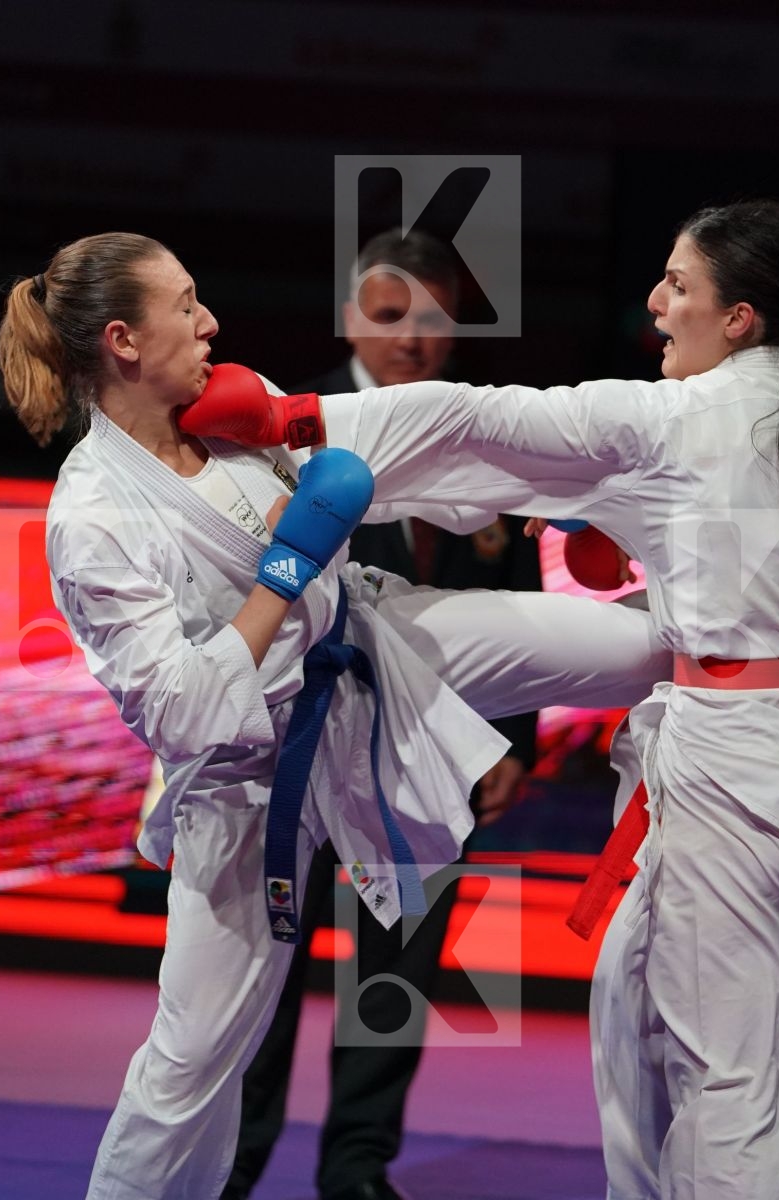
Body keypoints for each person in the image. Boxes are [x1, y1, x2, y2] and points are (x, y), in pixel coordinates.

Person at [179, 199, 779, 1198]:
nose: (654, 302)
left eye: (678, 285)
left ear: (738, 319)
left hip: (740, 764)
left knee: (722, 1068)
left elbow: (484, 419)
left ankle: (361, 631)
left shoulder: (684, 418)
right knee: (636, 1008)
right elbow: (735, 565)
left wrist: (299, 421)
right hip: (770, 738)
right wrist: (618, 530)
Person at [0, 232, 684, 1200]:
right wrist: (282, 571)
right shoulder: (93, 516)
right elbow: (186, 711)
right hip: (248, 785)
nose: (210, 321)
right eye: (186, 305)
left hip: (371, 652)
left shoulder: (237, 406)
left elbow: (399, 457)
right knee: (194, 1064)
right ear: (124, 341)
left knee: (639, 650)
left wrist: (561, 504)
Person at [229, 230, 544, 1200]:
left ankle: (358, 1165)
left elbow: (518, 613)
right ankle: (234, 1163)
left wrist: (511, 743)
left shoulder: (486, 441)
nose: (413, 338)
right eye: (390, 313)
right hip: (297, 750)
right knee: (263, 973)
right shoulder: (280, 434)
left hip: (427, 754)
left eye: (435, 319)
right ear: (348, 315)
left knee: (393, 971)